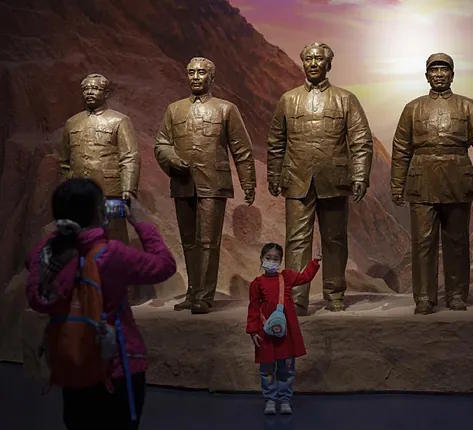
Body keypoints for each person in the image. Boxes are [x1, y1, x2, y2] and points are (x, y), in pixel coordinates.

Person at [25, 178, 176, 430]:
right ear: (99, 211)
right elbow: (164, 265)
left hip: (73, 363)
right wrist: (140, 221)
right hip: (116, 365)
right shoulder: (109, 254)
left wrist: (60, 235)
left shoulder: (48, 253)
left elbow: (34, 270)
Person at [391, 53, 473, 314]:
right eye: (434, 70)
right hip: (422, 181)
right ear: (426, 75)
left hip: (457, 179)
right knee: (422, 243)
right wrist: (397, 185)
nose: (439, 74)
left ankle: (456, 294)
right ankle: (424, 298)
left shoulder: (468, 106)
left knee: (457, 241)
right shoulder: (412, 108)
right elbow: (401, 150)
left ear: (452, 75)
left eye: (444, 70)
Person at [267, 42, 373, 315]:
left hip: (335, 180)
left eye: (319, 59)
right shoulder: (288, 100)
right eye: (308, 59)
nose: (313, 63)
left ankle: (334, 293)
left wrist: (360, 174)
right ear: (303, 63)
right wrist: (274, 174)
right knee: (296, 241)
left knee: (335, 240)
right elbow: (276, 142)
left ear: (329, 64)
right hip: (297, 179)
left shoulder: (345, 99)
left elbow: (361, 140)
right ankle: (296, 298)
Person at [155, 56, 256, 314]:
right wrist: (172, 160)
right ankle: (193, 291)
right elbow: (162, 144)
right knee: (189, 241)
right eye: (191, 72)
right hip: (183, 183)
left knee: (209, 241)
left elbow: (241, 149)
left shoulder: (226, 109)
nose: (196, 77)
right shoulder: (174, 110)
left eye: (201, 72)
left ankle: (205, 295)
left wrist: (249, 183)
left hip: (214, 182)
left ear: (212, 77)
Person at [58, 73, 140, 244]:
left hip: (111, 192)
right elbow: (64, 161)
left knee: (114, 237)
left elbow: (130, 156)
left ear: (106, 93)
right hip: (79, 192)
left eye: (95, 88)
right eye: (86, 89)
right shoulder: (72, 123)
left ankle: (117, 270)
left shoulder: (119, 120)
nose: (89, 92)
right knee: (82, 238)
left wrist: (128, 189)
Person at [246, 243, 320, 415]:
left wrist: (315, 262)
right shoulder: (256, 284)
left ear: (280, 261)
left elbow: (305, 277)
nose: (271, 261)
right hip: (266, 334)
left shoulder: (286, 277)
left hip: (285, 334)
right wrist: (253, 331)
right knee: (267, 369)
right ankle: (270, 399)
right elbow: (253, 308)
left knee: (286, 368)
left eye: (275, 259)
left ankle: (285, 399)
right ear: (262, 259)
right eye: (268, 258)